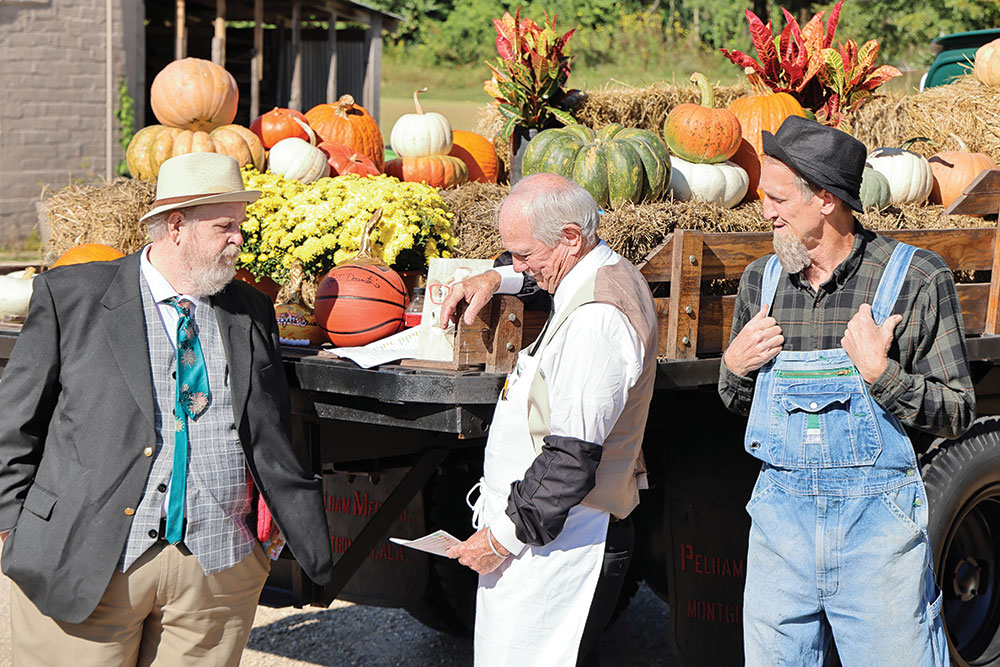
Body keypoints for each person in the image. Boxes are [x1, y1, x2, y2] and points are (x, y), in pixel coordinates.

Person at [0, 152, 334, 666]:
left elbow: (267, 426)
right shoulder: (73, 297)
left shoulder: (250, 309)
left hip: (219, 568)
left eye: (239, 226)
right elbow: (13, 423)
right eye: (225, 226)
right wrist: (15, 529)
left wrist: (264, 543)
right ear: (176, 226)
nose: (238, 239)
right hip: (86, 557)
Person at [719, 115, 975, 665]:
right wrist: (734, 369)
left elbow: (957, 414)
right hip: (779, 536)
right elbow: (741, 407)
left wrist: (883, 377)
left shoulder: (915, 278)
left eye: (779, 198)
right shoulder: (760, 284)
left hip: (877, 541)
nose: (765, 211)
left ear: (827, 202)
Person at [442, 173, 658, 666]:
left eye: (521, 255)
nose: (519, 266)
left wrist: (500, 539)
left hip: (565, 546)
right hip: (547, 541)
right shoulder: (591, 272)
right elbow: (543, 283)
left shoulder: (598, 321)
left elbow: (570, 460)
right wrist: (500, 277)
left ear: (570, 237)